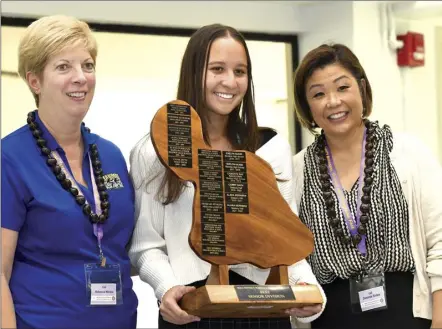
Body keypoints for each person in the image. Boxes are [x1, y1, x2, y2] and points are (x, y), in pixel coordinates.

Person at [129, 23, 326, 329]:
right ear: (194, 73)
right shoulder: (154, 150)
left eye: (240, 71)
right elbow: (146, 246)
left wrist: (307, 290)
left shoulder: (270, 149)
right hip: (190, 312)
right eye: (217, 69)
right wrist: (166, 289)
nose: (230, 82)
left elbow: (285, 240)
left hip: (262, 312)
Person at [1, 15, 138, 329]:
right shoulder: (10, 159)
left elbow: (126, 248)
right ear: (34, 81)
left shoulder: (110, 155)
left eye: (87, 66)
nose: (81, 77)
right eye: (64, 67)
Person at [292, 43, 442, 329]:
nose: (333, 101)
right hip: (331, 317)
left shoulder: (407, 153)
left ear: (361, 89)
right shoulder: (297, 171)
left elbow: (440, 242)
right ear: (308, 107)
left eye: (342, 87)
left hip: (406, 314)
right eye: (318, 94)